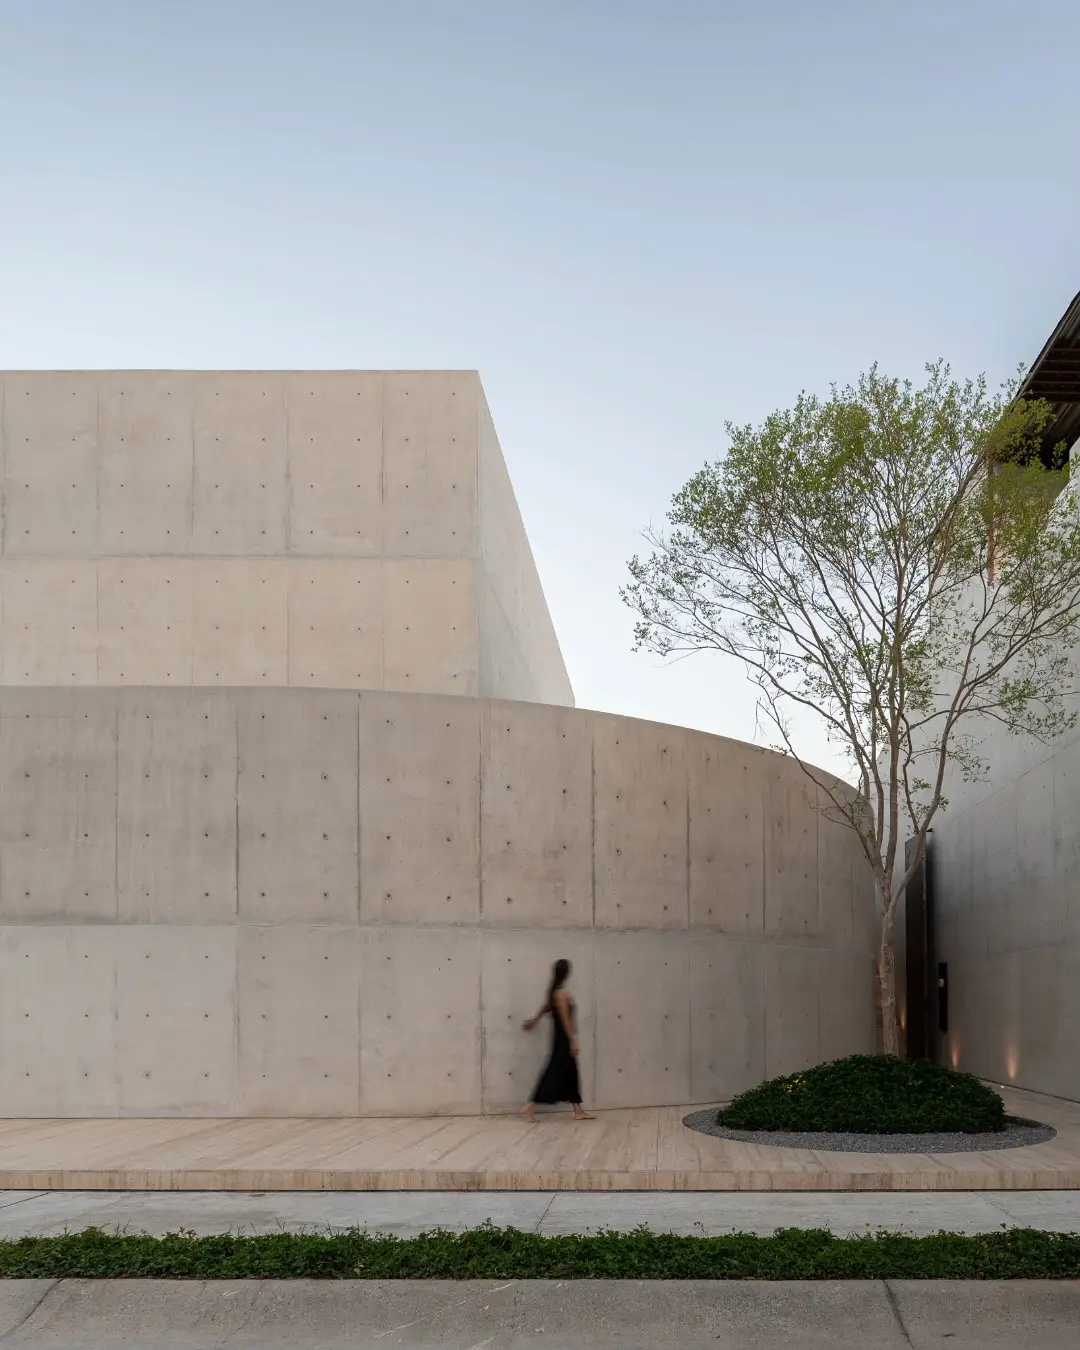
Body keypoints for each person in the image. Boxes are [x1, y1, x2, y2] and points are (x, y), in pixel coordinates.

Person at [519, 958, 595, 1123]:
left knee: (570, 1072)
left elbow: (546, 1007)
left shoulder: (554, 991)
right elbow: (565, 1019)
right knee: (553, 1072)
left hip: (560, 1037)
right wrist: (573, 1040)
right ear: (567, 973)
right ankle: (529, 1105)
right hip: (563, 1039)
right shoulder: (562, 993)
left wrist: (535, 1020)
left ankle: (578, 1110)